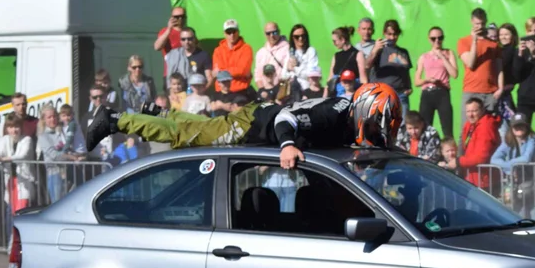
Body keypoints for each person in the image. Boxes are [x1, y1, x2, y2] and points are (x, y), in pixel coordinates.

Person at [88, 82, 403, 171]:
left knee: (208, 127)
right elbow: (285, 120)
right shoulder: (333, 116)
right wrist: (288, 145)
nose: (378, 134)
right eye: (377, 127)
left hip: (257, 117)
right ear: (363, 112)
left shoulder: (346, 111)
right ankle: (114, 120)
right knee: (188, 137)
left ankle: (157, 112)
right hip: (258, 123)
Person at [0, 113, 37, 244]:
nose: (14, 130)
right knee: (11, 211)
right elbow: (0, 151)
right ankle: (11, 242)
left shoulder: (27, 139)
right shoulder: (5, 139)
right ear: (7, 128)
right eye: (11, 127)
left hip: (23, 181)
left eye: (16, 126)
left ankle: (19, 242)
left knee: (21, 212)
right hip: (11, 181)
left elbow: (21, 156)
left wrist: (3, 159)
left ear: (21, 127)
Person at [414, 26, 458, 139]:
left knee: (447, 128)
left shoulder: (449, 53)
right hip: (427, 93)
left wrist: (442, 57)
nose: (437, 41)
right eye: (434, 38)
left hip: (442, 93)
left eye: (440, 38)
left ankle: (449, 154)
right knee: (425, 128)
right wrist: (427, 80)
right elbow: (416, 81)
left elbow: (454, 74)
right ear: (429, 39)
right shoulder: (424, 57)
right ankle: (425, 153)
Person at [458, 7, 502, 114]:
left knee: (489, 128)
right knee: (468, 128)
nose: (480, 27)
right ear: (472, 22)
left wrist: (500, 88)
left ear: (486, 21)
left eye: (482, 23)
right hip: (471, 91)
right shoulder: (463, 42)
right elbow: (470, 64)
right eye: (477, 24)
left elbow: (499, 69)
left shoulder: (494, 44)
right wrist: (474, 41)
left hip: (490, 93)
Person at [491, 114, 535, 206]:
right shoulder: (508, 140)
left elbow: (526, 158)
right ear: (511, 127)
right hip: (512, 182)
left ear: (527, 126)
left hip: (530, 181)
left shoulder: (532, 139)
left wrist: (507, 166)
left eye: (521, 125)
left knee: (531, 212)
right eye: (516, 125)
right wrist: (510, 168)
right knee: (511, 208)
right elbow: (493, 159)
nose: (518, 128)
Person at [367, 20, 413, 111]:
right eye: (389, 34)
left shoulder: (403, 52)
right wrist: (375, 50)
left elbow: (406, 71)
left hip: (400, 94)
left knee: (401, 124)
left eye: (395, 34)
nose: (392, 37)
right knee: (381, 123)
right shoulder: (379, 50)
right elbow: (367, 65)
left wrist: (408, 87)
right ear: (384, 33)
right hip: (381, 94)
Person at [458, 97, 501, 190]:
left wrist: (458, 162)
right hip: (472, 178)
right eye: (468, 111)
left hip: (485, 181)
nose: (470, 115)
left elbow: (480, 158)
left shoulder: (486, 126)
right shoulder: (469, 125)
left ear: (482, 110)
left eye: (474, 111)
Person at [212, 19, 254, 97]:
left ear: (238, 32)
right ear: (224, 33)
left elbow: (243, 70)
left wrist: (223, 70)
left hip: (240, 91)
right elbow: (218, 74)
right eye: (229, 32)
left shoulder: (246, 48)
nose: (232, 35)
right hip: (221, 91)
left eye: (234, 31)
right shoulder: (218, 50)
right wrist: (235, 70)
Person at [37, 105, 70, 204]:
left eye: (54, 116)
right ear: (43, 119)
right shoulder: (43, 135)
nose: (53, 119)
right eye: (49, 117)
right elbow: (54, 155)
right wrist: (71, 157)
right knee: (58, 204)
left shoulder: (63, 131)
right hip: (55, 173)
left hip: (70, 173)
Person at [329, 26, 368, 94]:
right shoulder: (336, 56)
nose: (333, 44)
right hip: (336, 95)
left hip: (352, 94)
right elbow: (330, 77)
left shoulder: (358, 54)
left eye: (335, 41)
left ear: (342, 40)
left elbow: (363, 79)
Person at [255, 22, 290, 96]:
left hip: (283, 92)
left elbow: (290, 73)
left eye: (274, 32)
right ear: (265, 34)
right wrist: (262, 91)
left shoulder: (288, 48)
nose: (272, 36)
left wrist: (281, 94)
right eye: (268, 33)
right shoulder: (261, 53)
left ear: (279, 32)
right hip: (267, 93)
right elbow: (258, 76)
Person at [287, 24, 320, 102]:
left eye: (303, 36)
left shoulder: (311, 51)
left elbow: (311, 74)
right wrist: (289, 72)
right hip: (291, 92)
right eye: (297, 37)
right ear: (292, 38)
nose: (300, 39)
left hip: (306, 91)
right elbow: (283, 74)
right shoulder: (290, 52)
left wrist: (294, 69)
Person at [153, 5, 187, 78]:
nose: (180, 19)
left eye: (182, 16)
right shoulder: (165, 31)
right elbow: (157, 47)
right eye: (177, 17)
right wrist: (169, 29)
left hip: (186, 73)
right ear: (171, 18)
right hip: (171, 74)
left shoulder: (188, 32)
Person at [497, 23, 520, 111]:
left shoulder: (515, 51)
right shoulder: (498, 50)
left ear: (513, 36)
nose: (503, 37)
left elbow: (516, 71)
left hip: (505, 91)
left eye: (506, 34)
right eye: (501, 35)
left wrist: (510, 84)